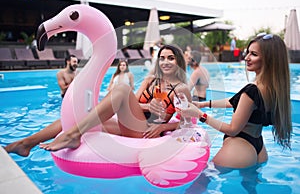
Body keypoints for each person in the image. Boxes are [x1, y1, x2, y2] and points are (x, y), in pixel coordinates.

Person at [5, 44, 190, 155]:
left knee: (122, 89)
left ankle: (73, 135)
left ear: (178, 62)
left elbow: (186, 123)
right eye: (162, 58)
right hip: (131, 123)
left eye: (171, 58)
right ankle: (26, 143)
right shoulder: (151, 80)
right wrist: (146, 104)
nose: (165, 61)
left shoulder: (181, 89)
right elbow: (132, 103)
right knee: (74, 118)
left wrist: (163, 126)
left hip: (146, 131)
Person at [178, 34, 292, 168]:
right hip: (259, 148)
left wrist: (199, 114)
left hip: (239, 148)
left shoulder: (252, 90)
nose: (247, 58)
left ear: (269, 59)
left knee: (204, 180)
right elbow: (236, 101)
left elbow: (232, 130)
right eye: (247, 52)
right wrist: (204, 104)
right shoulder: (274, 89)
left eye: (253, 54)